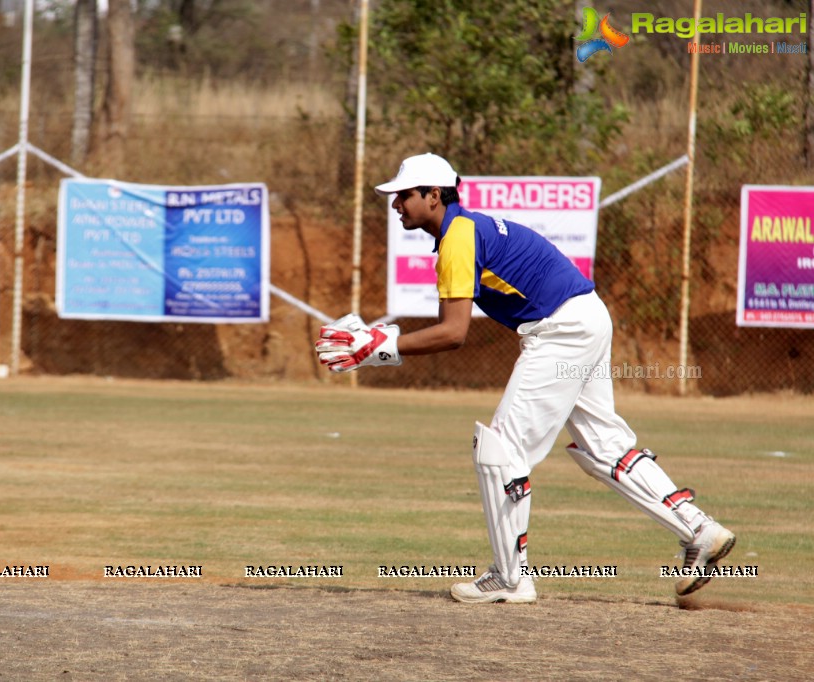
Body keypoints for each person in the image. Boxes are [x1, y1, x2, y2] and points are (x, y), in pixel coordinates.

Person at [314, 152, 735, 604]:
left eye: (403, 195)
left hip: (563, 330)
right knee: (605, 447)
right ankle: (699, 529)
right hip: (586, 317)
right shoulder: (464, 230)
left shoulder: (458, 238)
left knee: (502, 450)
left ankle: (509, 578)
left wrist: (380, 346)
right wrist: (384, 343)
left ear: (434, 196)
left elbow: (453, 333)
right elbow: (452, 325)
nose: (396, 204)